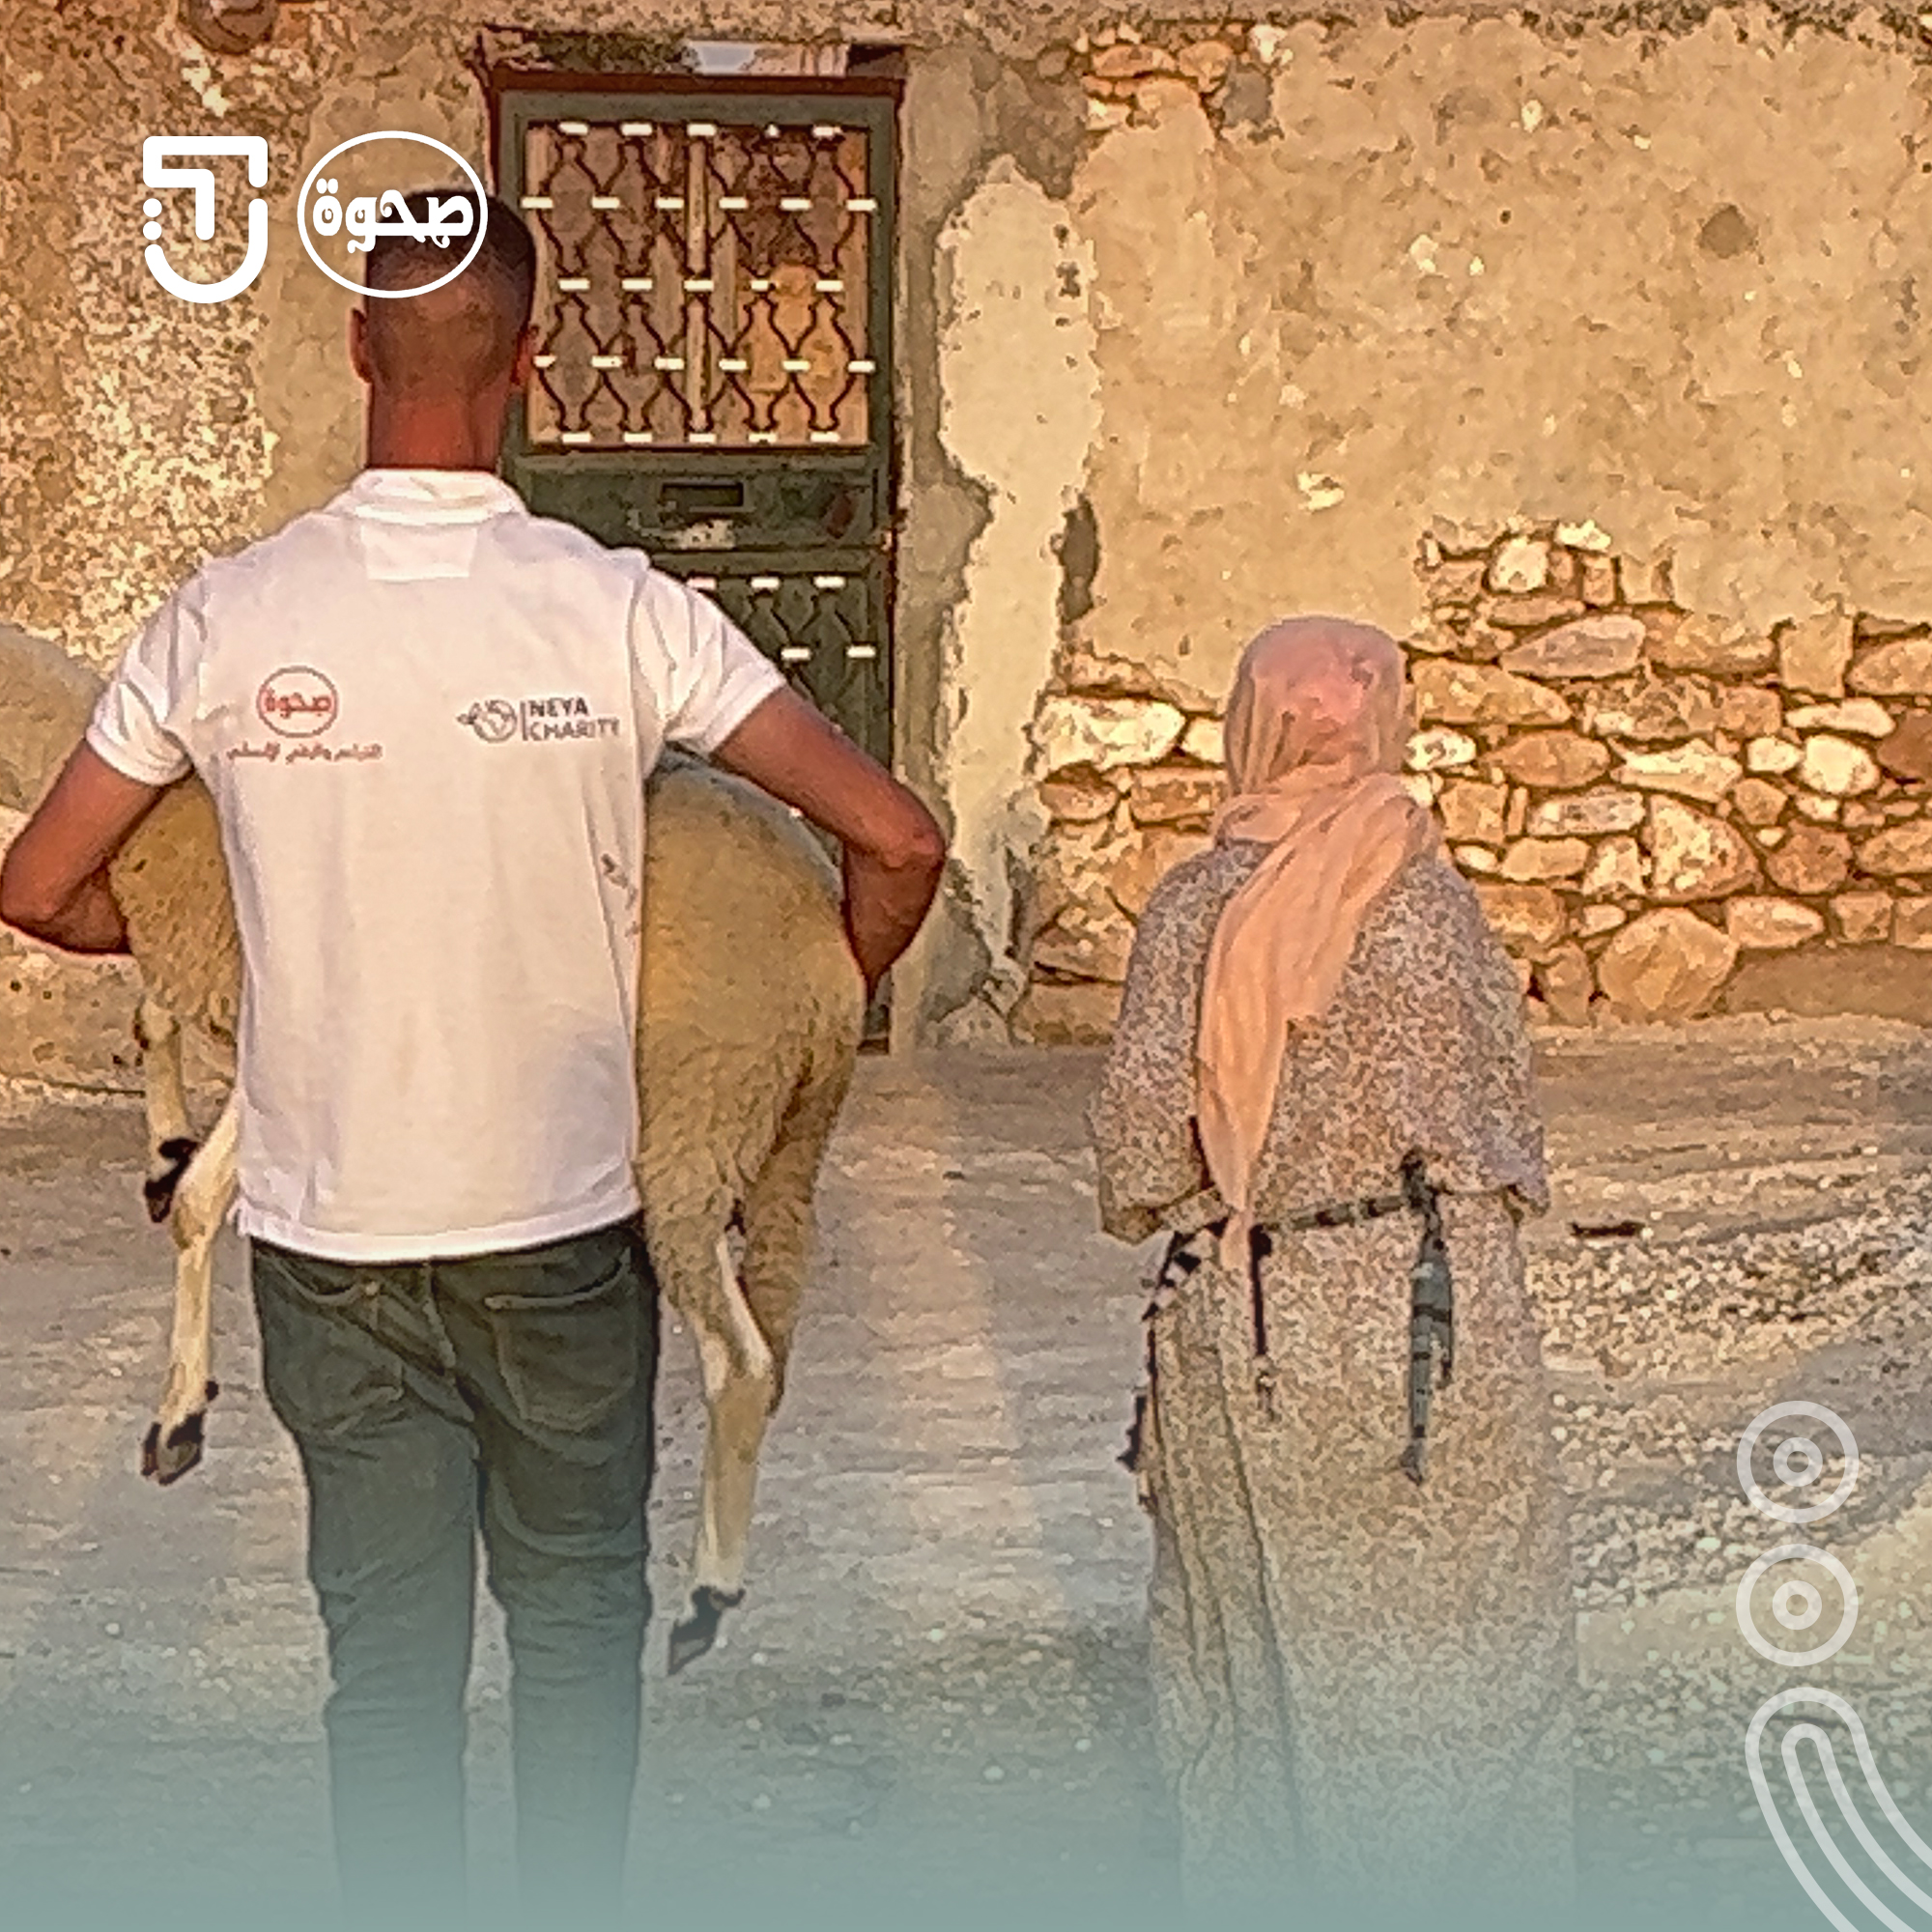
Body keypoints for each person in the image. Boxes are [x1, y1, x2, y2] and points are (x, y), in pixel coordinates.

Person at [0, 193, 945, 1928]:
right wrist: (825, 986)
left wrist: (268, 943)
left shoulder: (221, 621)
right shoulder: (620, 612)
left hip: (331, 1244)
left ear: (358, 350)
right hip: (560, 1236)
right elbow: (898, 836)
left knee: (386, 1669)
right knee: (577, 1634)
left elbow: (39, 885)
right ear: (530, 363)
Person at [1088, 616, 1574, 1926]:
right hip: (1453, 1314)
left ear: (1253, 726)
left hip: (1267, 1322)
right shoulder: (1431, 892)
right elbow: (1505, 1109)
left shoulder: (1198, 905)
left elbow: (1142, 1156)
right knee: (1473, 1643)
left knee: (1269, 1652)